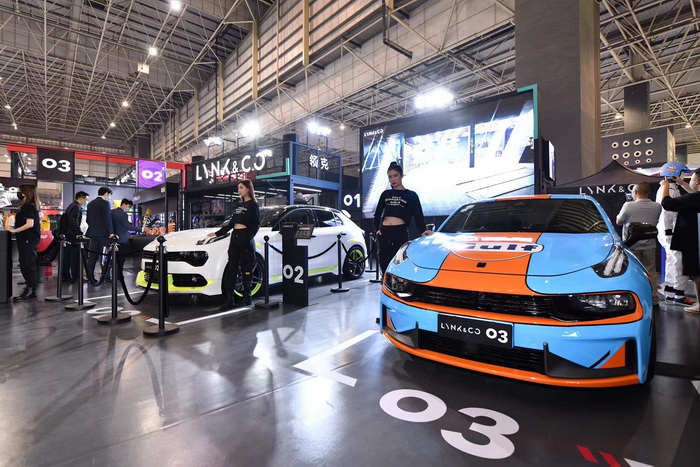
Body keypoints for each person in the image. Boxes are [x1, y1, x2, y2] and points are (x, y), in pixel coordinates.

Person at [207, 180, 260, 309]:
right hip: (235, 237)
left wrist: (248, 237)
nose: (239, 190)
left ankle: (247, 296)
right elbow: (231, 224)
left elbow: (256, 224)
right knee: (232, 268)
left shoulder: (253, 205)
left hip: (245, 238)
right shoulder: (239, 205)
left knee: (246, 268)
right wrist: (217, 233)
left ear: (248, 189)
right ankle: (229, 299)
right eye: (238, 188)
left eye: (241, 187)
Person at [373, 162, 432, 275]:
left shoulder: (411, 195)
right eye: (390, 177)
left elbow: (418, 215)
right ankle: (385, 283)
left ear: (401, 175)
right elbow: (377, 214)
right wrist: (377, 229)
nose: (393, 179)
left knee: (401, 262)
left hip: (400, 231)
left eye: (395, 175)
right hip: (384, 232)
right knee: (384, 262)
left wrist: (423, 230)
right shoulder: (385, 194)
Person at [660, 170, 700, 314]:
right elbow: (693, 195)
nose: (690, 181)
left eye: (692, 179)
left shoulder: (692, 198)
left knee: (695, 271)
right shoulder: (694, 197)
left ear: (697, 181)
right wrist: (683, 183)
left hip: (692, 240)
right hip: (693, 238)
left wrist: (665, 185)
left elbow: (667, 204)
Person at [616, 182, 662, 308]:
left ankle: (638, 299)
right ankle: (654, 299)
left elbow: (619, 221)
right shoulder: (657, 206)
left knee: (634, 272)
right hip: (650, 244)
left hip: (632, 244)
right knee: (651, 272)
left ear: (635, 192)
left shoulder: (628, 206)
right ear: (648, 193)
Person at [8, 184, 40, 300]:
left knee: (27, 264)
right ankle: (30, 288)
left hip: (28, 239)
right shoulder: (29, 206)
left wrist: (15, 230)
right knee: (25, 263)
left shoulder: (28, 207)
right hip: (26, 239)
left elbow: (29, 224)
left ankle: (31, 289)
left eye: (20, 191)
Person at [85, 186, 115, 284]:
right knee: (104, 256)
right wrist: (111, 232)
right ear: (106, 193)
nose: (108, 197)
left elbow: (88, 220)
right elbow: (107, 219)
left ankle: (90, 277)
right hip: (104, 235)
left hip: (93, 234)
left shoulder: (90, 204)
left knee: (92, 257)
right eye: (109, 195)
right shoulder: (105, 203)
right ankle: (105, 276)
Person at [61, 191, 89, 283]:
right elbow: (73, 221)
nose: (86, 202)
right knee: (75, 257)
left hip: (68, 235)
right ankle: (76, 276)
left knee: (68, 257)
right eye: (85, 200)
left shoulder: (71, 206)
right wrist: (78, 232)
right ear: (80, 198)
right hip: (73, 236)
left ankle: (67, 276)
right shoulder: (76, 207)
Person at [110, 198, 134, 281]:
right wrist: (141, 229)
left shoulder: (112, 212)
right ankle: (119, 276)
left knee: (113, 260)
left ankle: (111, 276)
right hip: (122, 240)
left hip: (112, 239)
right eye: (128, 206)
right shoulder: (123, 214)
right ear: (124, 204)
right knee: (121, 260)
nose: (128, 209)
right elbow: (127, 227)